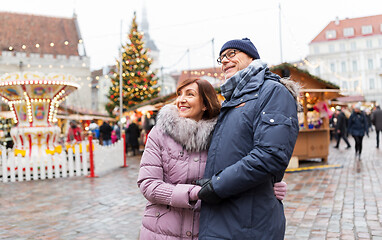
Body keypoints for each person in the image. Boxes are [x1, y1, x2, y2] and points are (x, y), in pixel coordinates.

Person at [137, 78, 288, 239]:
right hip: (161, 230)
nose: (181, 99)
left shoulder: (222, 135)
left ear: (205, 104)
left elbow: (240, 172)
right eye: (179, 94)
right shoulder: (159, 133)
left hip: (208, 229)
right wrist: (194, 193)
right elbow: (148, 184)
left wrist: (266, 185)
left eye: (190, 94)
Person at [197, 38, 300, 239]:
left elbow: (270, 154)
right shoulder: (232, 99)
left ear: (251, 57)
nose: (225, 60)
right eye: (222, 57)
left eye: (232, 53)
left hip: (249, 223)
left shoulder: (272, 91)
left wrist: (216, 186)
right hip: (224, 217)